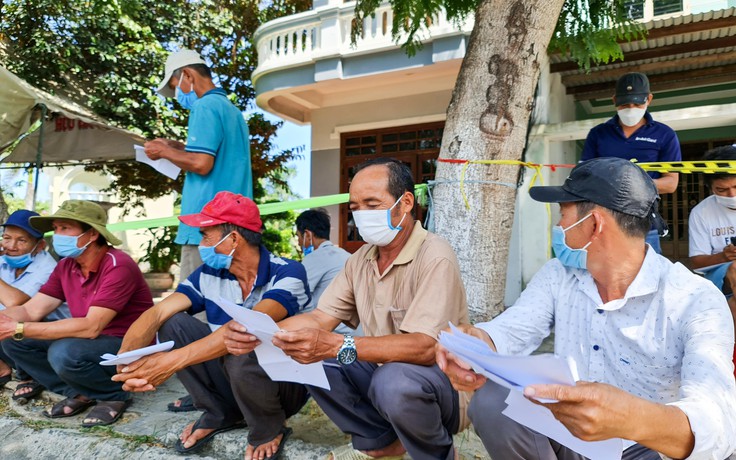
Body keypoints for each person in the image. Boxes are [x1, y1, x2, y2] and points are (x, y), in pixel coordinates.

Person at [437, 157, 736, 460]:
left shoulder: (694, 299)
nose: (558, 226)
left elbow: (716, 421)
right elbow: (513, 328)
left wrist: (630, 418)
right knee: (491, 400)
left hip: (648, 447)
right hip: (570, 434)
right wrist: (474, 343)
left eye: (563, 214)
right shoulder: (559, 275)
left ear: (594, 224)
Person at [224, 158, 470, 460]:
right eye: (355, 207)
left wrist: (337, 344)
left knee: (390, 379)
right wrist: (261, 333)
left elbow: (424, 347)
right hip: (384, 375)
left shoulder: (434, 254)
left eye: (372, 204)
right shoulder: (361, 259)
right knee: (312, 358)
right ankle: (380, 442)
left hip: (445, 386)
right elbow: (319, 318)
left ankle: (440, 454)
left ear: (405, 202)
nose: (361, 215)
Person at [112, 191, 310, 455]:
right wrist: (128, 359)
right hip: (233, 376)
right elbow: (158, 313)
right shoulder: (209, 274)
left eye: (206, 235)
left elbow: (245, 326)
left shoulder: (287, 272)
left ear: (234, 239)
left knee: (243, 343)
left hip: (283, 385)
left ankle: (268, 426)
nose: (201, 243)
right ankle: (220, 413)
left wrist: (168, 363)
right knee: (174, 324)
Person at [0, 200, 153, 427]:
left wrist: (20, 327)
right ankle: (81, 391)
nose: (57, 234)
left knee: (64, 352)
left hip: (126, 343)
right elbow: (31, 310)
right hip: (91, 340)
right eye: (56, 228)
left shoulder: (118, 264)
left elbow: (92, 326)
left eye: (65, 228)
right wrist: (7, 322)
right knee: (14, 341)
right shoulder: (66, 266)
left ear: (91, 234)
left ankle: (113, 395)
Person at [145, 49, 253, 281]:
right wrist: (177, 147)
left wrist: (164, 151)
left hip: (206, 231)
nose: (177, 94)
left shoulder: (204, 107)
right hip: (234, 228)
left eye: (176, 86)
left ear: (188, 75)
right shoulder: (232, 111)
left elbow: (202, 163)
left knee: (196, 308)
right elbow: (216, 154)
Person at [581, 72, 681, 253]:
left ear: (649, 99)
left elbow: (671, 183)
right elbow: (583, 177)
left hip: (644, 225)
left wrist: (628, 184)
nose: (631, 108)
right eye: (625, 104)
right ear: (614, 100)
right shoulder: (598, 134)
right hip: (603, 223)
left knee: (646, 278)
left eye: (637, 103)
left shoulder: (664, 134)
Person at [0, 210, 69, 390]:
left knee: (13, 332)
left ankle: (33, 377)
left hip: (47, 336)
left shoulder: (48, 269)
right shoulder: (4, 261)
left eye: (21, 240)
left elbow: (17, 304)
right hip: (17, 328)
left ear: (39, 246)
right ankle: (3, 369)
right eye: (6, 238)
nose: (11, 246)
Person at [687, 144, 736, 376]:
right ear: (710, 188)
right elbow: (697, 263)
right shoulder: (701, 213)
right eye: (722, 189)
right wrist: (723, 256)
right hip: (719, 274)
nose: (731, 195)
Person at [295, 208, 358, 335]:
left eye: (298, 237)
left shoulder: (315, 258)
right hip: (355, 331)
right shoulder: (347, 256)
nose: (298, 243)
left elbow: (294, 295)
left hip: (332, 332)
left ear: (307, 234)